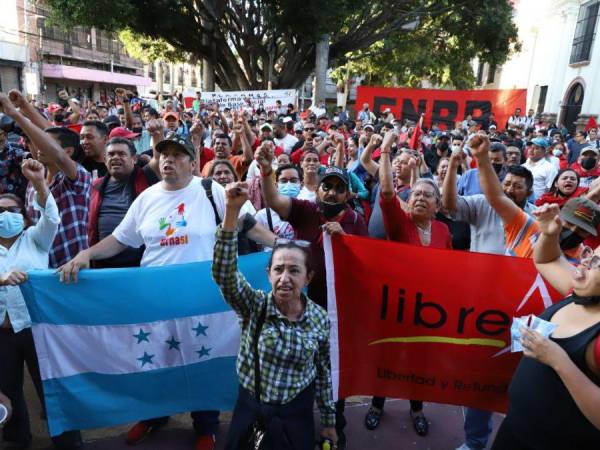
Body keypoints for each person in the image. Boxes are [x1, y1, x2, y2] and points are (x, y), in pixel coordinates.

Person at [59, 135, 260, 450]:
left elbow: (249, 224)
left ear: (192, 163)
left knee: (200, 359)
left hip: (201, 298)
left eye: (178, 155)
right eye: (163, 154)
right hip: (156, 299)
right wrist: (87, 254)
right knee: (156, 359)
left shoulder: (211, 191)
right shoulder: (147, 198)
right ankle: (155, 415)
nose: (168, 160)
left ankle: (205, 425)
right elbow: (121, 239)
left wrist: (283, 247)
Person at [257, 141, 368, 448]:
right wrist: (267, 170)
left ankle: (337, 422)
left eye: (338, 188)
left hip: (339, 309)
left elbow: (366, 263)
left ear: (347, 194)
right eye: (326, 186)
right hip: (303, 308)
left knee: (334, 367)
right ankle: (301, 420)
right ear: (317, 189)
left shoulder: (357, 221)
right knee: (303, 362)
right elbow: (275, 201)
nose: (331, 192)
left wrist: (345, 240)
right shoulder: (306, 212)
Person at [212, 181, 337, 450]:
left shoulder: (319, 319)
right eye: (278, 269)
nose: (284, 278)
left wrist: (328, 421)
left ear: (308, 278)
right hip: (252, 409)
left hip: (297, 415)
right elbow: (224, 274)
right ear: (268, 274)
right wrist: (231, 213)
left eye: (294, 271)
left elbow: (324, 373)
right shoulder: (253, 306)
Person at [491, 202, 600, 450]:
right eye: (589, 256)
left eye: (596, 264)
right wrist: (550, 234)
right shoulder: (580, 292)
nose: (583, 264)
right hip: (515, 428)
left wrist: (558, 360)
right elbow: (547, 260)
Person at [365, 131, 451, 438]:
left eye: (428, 195)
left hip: (427, 310)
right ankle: (377, 404)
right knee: (387, 357)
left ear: (438, 206)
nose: (420, 198)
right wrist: (385, 152)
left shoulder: (442, 231)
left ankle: (416, 409)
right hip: (396, 305)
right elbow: (387, 194)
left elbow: (450, 268)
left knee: (419, 360)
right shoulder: (399, 225)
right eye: (415, 194)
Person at [0, 159, 72, 449]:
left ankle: (68, 441)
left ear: (25, 216)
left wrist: (40, 182)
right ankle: (18, 439)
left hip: (37, 328)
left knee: (50, 388)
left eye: (12, 210)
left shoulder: (36, 239)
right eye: (0, 211)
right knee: (8, 390)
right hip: (3, 334)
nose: (6, 215)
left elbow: (52, 218)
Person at [87, 137, 160, 268]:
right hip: (103, 264)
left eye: (121, 154)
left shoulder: (146, 176)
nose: (115, 157)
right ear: (104, 160)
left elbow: (159, 159)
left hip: (140, 264)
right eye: (110, 154)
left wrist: (157, 134)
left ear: (134, 159)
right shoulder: (95, 186)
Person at [254, 164, 299, 240]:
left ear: (301, 184)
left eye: (293, 180)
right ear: (276, 185)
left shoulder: (309, 211)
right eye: (283, 181)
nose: (288, 184)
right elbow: (259, 246)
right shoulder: (262, 216)